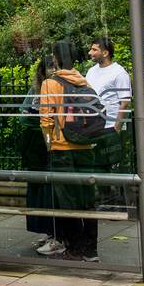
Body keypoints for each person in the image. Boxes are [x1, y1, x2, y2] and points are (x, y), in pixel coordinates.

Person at [39, 40, 100, 262]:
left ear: (55, 59)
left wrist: (48, 143)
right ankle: (90, 249)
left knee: (67, 200)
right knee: (87, 199)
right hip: (85, 147)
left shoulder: (50, 83)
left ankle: (74, 248)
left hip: (62, 147)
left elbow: (46, 119)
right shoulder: (85, 82)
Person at [21, 55, 60, 257]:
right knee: (37, 189)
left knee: (50, 189)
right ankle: (46, 230)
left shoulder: (58, 89)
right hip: (36, 146)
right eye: (48, 68)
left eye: (55, 68)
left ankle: (56, 233)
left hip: (51, 144)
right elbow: (24, 114)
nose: (52, 72)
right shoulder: (35, 91)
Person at [87, 35, 132, 209]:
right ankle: (105, 201)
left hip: (111, 126)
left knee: (115, 166)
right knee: (98, 166)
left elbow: (125, 102)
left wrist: (117, 127)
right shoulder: (91, 71)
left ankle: (121, 204)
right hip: (94, 126)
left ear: (105, 53)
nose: (90, 52)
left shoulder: (119, 73)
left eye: (94, 49)